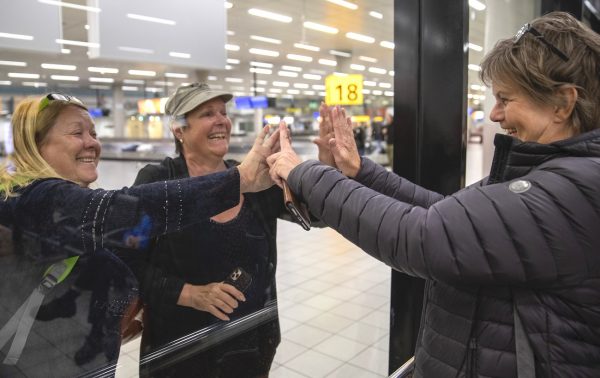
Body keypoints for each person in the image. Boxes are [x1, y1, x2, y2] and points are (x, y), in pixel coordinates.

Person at [268, 12, 600, 377]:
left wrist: (303, 172)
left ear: (562, 104)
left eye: (506, 99)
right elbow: (448, 214)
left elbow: (424, 236)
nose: (494, 114)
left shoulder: (574, 190)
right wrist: (360, 171)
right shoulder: (553, 173)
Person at [0, 93, 278, 376]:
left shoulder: (48, 202)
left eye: (93, 133)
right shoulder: (30, 200)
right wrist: (239, 180)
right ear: (34, 145)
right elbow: (126, 212)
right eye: (76, 133)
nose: (92, 143)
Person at [130, 83, 298, 378]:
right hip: (178, 352)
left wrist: (323, 173)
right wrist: (188, 293)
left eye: (223, 112)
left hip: (250, 346)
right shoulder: (159, 180)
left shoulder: (253, 179)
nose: (221, 120)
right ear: (179, 129)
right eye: (207, 113)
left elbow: (313, 213)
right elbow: (127, 261)